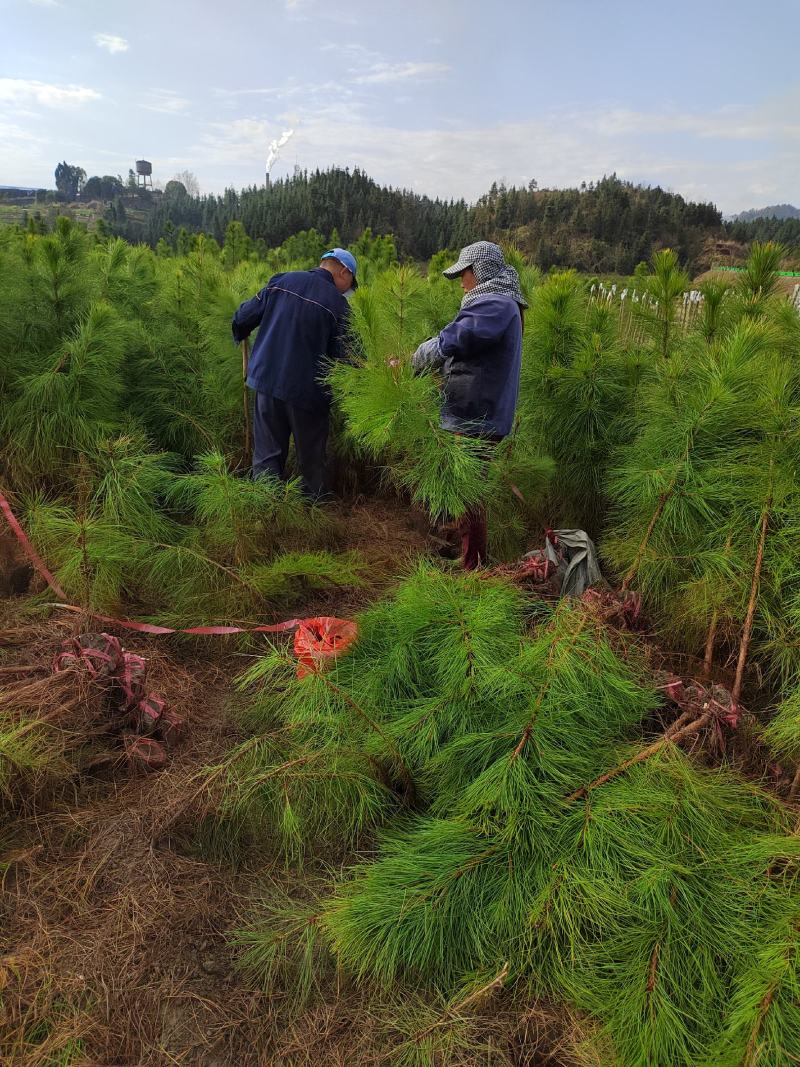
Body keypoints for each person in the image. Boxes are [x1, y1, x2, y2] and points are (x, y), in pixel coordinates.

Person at [411, 241, 527, 569]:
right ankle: (465, 551)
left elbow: (459, 337)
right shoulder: (502, 302)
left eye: (464, 273)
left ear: (479, 271)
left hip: (479, 415)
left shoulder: (495, 303)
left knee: (469, 492)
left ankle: (472, 565)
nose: (461, 281)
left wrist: (422, 355)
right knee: (465, 490)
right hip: (478, 411)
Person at [231, 248, 357, 498]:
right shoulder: (338, 305)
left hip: (266, 383)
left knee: (267, 457)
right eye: (351, 284)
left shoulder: (281, 281)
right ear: (344, 271)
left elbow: (243, 316)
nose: (348, 291)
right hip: (308, 395)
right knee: (311, 461)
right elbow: (349, 357)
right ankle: (312, 516)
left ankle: (266, 515)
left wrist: (241, 328)